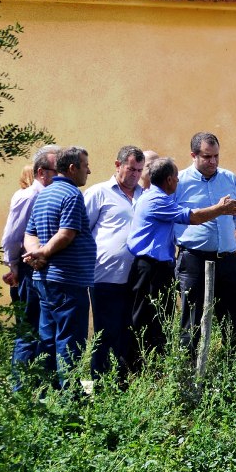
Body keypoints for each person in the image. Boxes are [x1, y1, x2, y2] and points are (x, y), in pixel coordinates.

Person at [126, 157, 236, 364]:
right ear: (169, 180)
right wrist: (220, 208)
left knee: (161, 320)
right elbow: (193, 217)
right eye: (176, 179)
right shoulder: (156, 200)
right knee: (146, 320)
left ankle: (158, 368)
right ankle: (140, 369)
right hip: (150, 268)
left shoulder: (156, 196)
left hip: (161, 267)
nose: (178, 182)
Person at [23, 146, 96, 388]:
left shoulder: (44, 193)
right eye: (85, 166)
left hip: (45, 280)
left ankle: (47, 396)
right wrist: (41, 252)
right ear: (73, 168)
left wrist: (37, 255)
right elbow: (67, 233)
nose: (89, 171)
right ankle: (69, 402)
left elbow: (29, 233)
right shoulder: (72, 194)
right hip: (68, 281)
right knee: (70, 343)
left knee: (48, 340)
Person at [173, 132, 236, 354]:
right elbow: (174, 216)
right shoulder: (179, 182)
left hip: (227, 260)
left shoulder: (229, 178)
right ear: (193, 155)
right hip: (193, 259)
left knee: (233, 319)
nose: (213, 161)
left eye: (216, 156)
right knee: (191, 319)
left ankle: (234, 371)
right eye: (207, 157)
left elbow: (235, 217)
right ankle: (188, 374)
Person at [84, 145, 144, 378]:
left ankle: (120, 384)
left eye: (139, 170)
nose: (135, 175)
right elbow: (82, 232)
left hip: (136, 277)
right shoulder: (98, 193)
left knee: (128, 333)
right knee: (105, 334)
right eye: (131, 169)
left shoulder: (144, 194)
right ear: (118, 165)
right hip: (105, 276)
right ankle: (99, 385)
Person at [0, 145, 59, 374]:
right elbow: (12, 236)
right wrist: (13, 268)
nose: (61, 174)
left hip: (43, 270)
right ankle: (20, 389)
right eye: (57, 170)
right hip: (26, 272)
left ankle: (39, 383)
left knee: (43, 331)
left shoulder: (49, 195)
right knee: (28, 331)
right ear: (42, 172)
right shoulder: (29, 196)